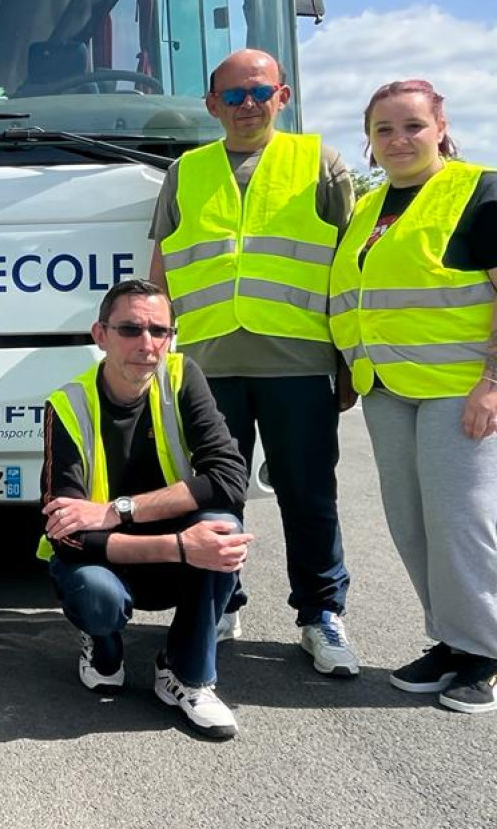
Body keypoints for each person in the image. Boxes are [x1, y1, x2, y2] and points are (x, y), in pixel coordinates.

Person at [149, 48, 359, 676]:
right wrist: (158, 347)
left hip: (298, 361)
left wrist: (350, 360)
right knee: (215, 494)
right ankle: (222, 599)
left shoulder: (320, 162)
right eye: (233, 96)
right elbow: (160, 264)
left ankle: (321, 614)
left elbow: (352, 267)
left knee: (308, 494)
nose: (247, 106)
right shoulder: (185, 172)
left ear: (282, 97)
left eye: (259, 93)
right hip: (208, 366)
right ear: (212, 105)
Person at [329, 80, 497, 714]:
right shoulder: (373, 209)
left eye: (411, 127)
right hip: (388, 387)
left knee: (462, 523)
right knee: (411, 521)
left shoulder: (480, 191)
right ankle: (452, 640)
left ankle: (484, 652)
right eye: (383, 130)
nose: (398, 140)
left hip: (462, 389)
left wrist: (493, 384)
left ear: (440, 125)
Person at [41, 279, 251, 739]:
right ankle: (103, 648)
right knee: (98, 596)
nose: (148, 344)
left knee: (221, 527)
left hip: (159, 549)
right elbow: (67, 535)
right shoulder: (68, 404)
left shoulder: (182, 377)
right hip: (103, 562)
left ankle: (185, 674)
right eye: (131, 330)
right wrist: (179, 545)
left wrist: (119, 510)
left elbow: (231, 479)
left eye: (160, 330)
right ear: (101, 335)